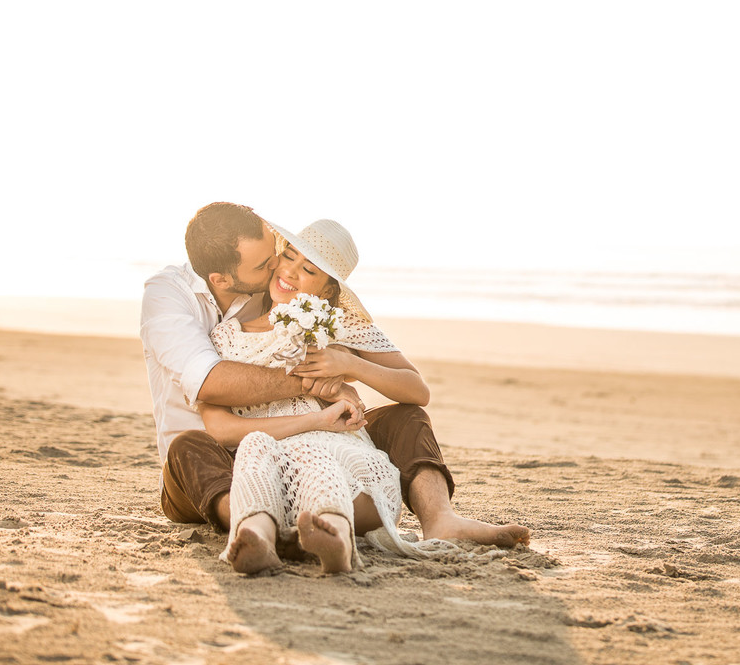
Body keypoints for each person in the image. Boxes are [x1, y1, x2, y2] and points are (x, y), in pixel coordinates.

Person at [140, 203, 529, 559]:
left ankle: (440, 517)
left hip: (323, 440)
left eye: (304, 266)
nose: (282, 267)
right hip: (219, 458)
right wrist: (316, 384)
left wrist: (349, 365)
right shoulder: (186, 305)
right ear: (222, 279)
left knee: (405, 418)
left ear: (327, 289)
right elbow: (210, 384)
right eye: (279, 259)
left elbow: (416, 389)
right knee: (192, 447)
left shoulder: (304, 310)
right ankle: (258, 527)